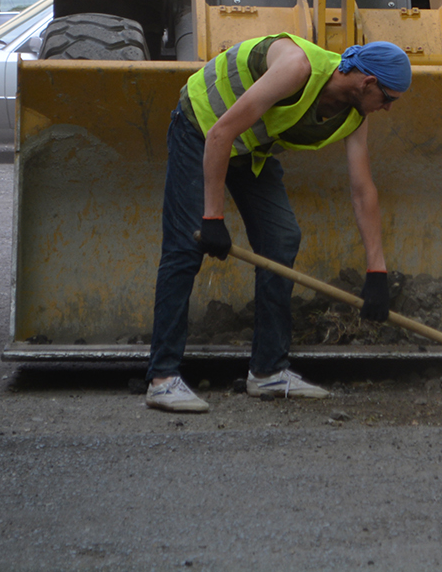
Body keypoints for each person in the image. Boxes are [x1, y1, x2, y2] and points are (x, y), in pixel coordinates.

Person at [145, 34, 411, 413]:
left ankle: (268, 371)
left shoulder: (355, 114)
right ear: (367, 83)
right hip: (202, 127)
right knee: (187, 245)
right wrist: (213, 217)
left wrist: (377, 271)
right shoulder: (296, 67)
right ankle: (162, 379)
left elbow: (362, 190)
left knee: (281, 238)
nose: (387, 108)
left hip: (248, 148)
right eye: (388, 98)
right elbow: (221, 133)